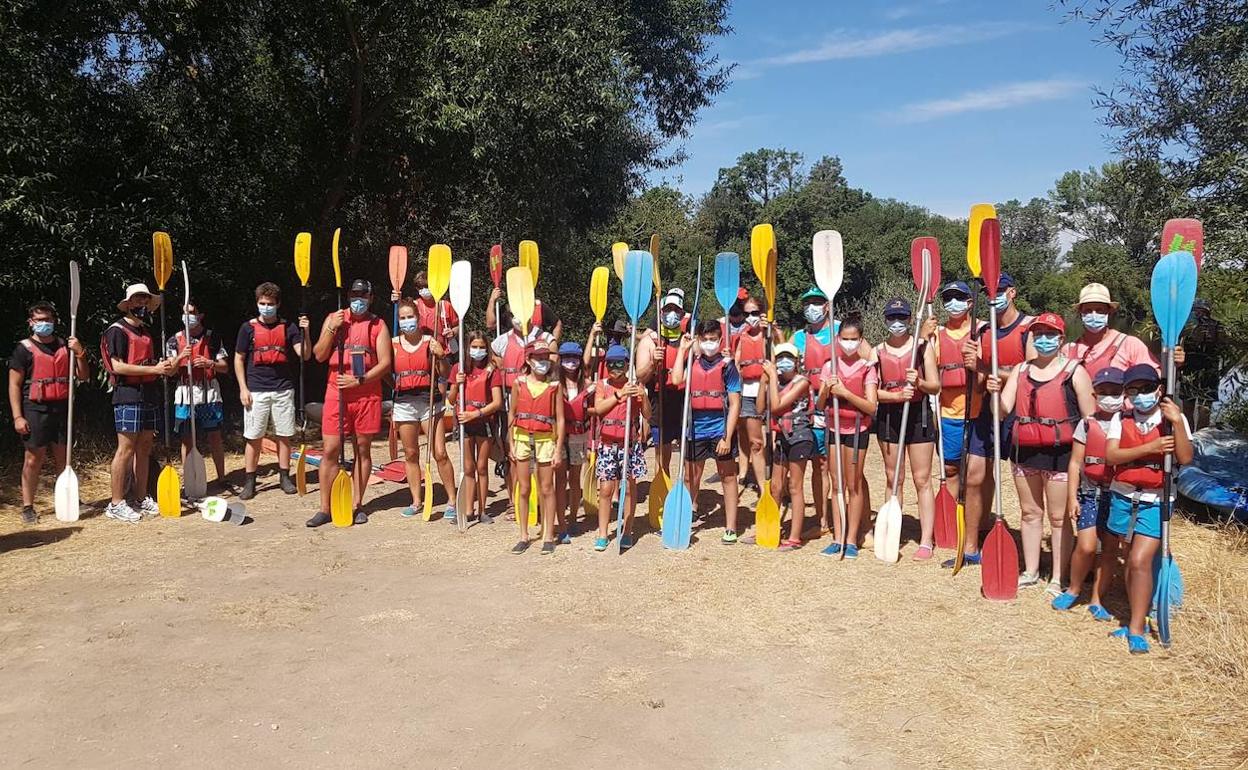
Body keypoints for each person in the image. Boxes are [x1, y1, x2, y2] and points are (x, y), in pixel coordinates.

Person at [989, 312, 1095, 590]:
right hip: (1024, 451)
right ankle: (1031, 570)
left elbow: (1090, 420)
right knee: (1029, 512)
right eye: (1039, 335)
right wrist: (994, 393)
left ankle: (1059, 576)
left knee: (1058, 518)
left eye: (1050, 335)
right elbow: (1001, 411)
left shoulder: (1075, 371)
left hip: (1062, 454)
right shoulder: (1021, 371)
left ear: (1061, 338)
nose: (1044, 340)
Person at [1104, 364, 1192, 654]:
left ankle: (1137, 629)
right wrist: (1150, 447)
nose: (1140, 395)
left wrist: (1177, 422)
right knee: (1129, 560)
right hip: (1123, 497)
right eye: (1133, 390)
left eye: (1146, 388)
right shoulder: (1121, 418)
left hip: (1156, 500)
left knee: (1141, 560)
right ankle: (1135, 615)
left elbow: (1185, 457)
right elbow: (1112, 454)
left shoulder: (1171, 417)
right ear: (1127, 393)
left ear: (1158, 389)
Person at [947, 272, 1033, 569]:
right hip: (986, 414)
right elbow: (981, 379)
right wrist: (973, 367)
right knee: (973, 477)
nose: (993, 295)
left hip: (1021, 416)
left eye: (999, 290)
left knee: (1029, 488)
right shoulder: (982, 332)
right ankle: (970, 548)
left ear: (1012, 293)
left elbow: (1033, 373)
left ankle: (1033, 553)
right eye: (987, 291)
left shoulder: (1029, 328)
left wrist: (987, 368)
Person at [309, 279, 392, 526]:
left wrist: (360, 380)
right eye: (355, 294)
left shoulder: (378, 324)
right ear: (348, 295)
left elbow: (385, 363)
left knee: (362, 449)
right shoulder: (335, 318)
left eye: (363, 295)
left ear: (371, 297)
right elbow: (319, 354)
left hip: (366, 394)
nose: (359, 299)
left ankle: (356, 504)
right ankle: (325, 508)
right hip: (336, 393)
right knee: (331, 450)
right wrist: (331, 329)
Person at [100, 284, 178, 522]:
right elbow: (117, 366)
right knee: (125, 450)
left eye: (145, 300)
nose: (142, 304)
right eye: (137, 300)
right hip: (128, 394)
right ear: (129, 304)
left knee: (144, 448)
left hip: (148, 393)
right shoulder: (117, 331)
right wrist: (153, 368)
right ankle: (115, 503)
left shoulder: (146, 332)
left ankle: (140, 497)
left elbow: (156, 366)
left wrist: (170, 364)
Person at [1054, 366, 1125, 619]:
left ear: (1124, 393)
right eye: (1103, 392)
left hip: (1118, 495)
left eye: (1115, 391)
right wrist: (1072, 497)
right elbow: (1075, 463)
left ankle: (1097, 598)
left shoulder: (1129, 424)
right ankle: (1074, 589)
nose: (1109, 396)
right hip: (1090, 493)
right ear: (1095, 395)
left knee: (1109, 548)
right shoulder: (1087, 424)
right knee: (1085, 546)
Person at [8, 301, 89, 524]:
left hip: (62, 407)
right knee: (34, 459)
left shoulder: (66, 345)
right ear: (31, 323)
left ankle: (69, 499)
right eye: (39, 320)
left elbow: (82, 376)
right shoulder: (23, 349)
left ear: (54, 321)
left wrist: (80, 353)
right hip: (35, 408)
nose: (44, 324)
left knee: (64, 457)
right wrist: (18, 416)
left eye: (48, 320)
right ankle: (27, 506)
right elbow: (14, 385)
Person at [874, 298, 940, 559]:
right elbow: (872, 391)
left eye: (902, 318)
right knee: (893, 478)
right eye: (892, 318)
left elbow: (936, 386)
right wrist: (896, 396)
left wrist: (920, 382)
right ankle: (894, 532)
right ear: (886, 320)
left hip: (918, 415)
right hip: (890, 416)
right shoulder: (877, 351)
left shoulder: (923, 349)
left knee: (922, 479)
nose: (897, 323)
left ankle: (926, 540)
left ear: (911, 320)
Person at [234, 282, 309, 499]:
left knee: (284, 435)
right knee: (253, 437)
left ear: (278, 304)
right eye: (262, 303)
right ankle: (250, 481)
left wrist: (306, 331)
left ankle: (285, 476)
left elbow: (304, 354)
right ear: (257, 303)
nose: (266, 307)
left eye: (270, 304)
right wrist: (243, 388)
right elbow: (239, 358)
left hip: (283, 389)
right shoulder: (247, 328)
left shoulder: (289, 327)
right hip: (255, 390)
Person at [671, 319, 742, 543]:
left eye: (713, 339)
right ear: (698, 341)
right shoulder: (692, 362)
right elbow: (675, 379)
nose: (709, 343)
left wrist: (727, 437)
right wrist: (682, 350)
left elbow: (735, 404)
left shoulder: (728, 366)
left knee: (728, 477)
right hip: (695, 430)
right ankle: (685, 519)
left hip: (719, 429)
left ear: (720, 341)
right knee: (691, 477)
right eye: (705, 339)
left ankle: (731, 527)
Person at [816, 312, 877, 558]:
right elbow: (820, 405)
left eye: (853, 339)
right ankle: (837, 536)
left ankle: (852, 540)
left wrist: (845, 393)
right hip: (834, 429)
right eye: (844, 338)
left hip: (857, 430)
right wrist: (827, 390)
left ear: (860, 339)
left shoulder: (867, 368)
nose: (848, 343)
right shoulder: (829, 366)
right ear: (838, 339)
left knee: (853, 485)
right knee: (836, 485)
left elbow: (871, 407)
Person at [489, 297, 555, 521]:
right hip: (512, 400)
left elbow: (552, 360)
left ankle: (540, 500)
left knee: (541, 457)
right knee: (513, 454)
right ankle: (514, 499)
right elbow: (493, 355)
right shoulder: (502, 340)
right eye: (514, 314)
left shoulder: (544, 338)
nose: (518, 318)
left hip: (540, 401)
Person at [391, 298, 453, 520]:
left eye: (410, 316)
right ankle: (417, 501)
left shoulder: (430, 341)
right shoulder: (393, 344)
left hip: (429, 402)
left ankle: (452, 501)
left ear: (418, 318)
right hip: (404, 404)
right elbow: (386, 372)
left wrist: (442, 355)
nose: (407, 321)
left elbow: (445, 372)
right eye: (403, 317)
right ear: (399, 320)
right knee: (410, 453)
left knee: (440, 452)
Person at [168, 297, 231, 493]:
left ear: (200, 315)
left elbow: (225, 367)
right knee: (187, 438)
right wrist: (180, 357)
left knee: (214, 436)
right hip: (185, 394)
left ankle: (222, 478)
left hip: (209, 393)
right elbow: (169, 370)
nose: (188, 317)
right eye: (185, 312)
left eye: (192, 313)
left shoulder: (213, 338)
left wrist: (209, 362)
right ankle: (189, 480)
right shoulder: (174, 339)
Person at [928, 281, 983, 505]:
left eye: (959, 298)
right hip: (947, 413)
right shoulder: (936, 335)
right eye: (948, 298)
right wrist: (924, 337)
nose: (953, 303)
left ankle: (975, 522)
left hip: (978, 413)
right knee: (951, 469)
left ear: (970, 303)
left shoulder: (982, 330)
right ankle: (951, 517)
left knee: (975, 474)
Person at [591, 344, 650, 551]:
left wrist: (643, 396)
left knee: (628, 488)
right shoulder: (602, 385)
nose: (614, 368)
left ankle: (627, 530)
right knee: (606, 489)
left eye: (619, 364)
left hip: (629, 446)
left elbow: (648, 415)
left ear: (627, 365)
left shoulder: (635, 386)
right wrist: (619, 396)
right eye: (610, 364)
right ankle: (602, 533)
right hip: (607, 445)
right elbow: (599, 408)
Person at [508, 344, 565, 554]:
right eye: (538, 357)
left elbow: (560, 419)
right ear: (529, 359)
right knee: (523, 488)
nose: (543, 361)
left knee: (547, 488)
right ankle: (523, 535)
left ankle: (548, 534)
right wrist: (511, 443)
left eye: (545, 357)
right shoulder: (518, 383)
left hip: (545, 441)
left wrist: (558, 449)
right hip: (522, 438)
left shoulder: (554, 386)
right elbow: (512, 413)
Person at [759, 343, 813, 551]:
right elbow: (760, 408)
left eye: (787, 357)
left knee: (794, 487)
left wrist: (772, 378)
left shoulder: (802, 382)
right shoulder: (775, 381)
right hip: (781, 437)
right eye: (779, 357)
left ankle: (795, 537)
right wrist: (763, 383)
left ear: (796, 361)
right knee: (775, 486)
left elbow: (779, 405)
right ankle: (771, 526)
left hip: (800, 437)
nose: (783, 362)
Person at [790, 287, 834, 532]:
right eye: (808, 304)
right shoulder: (798, 337)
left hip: (835, 404)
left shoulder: (841, 331)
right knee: (813, 463)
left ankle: (829, 519)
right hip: (807, 406)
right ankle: (820, 519)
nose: (812, 308)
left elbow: (866, 357)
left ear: (827, 305)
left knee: (827, 464)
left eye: (817, 302)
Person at [448, 330, 503, 525]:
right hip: (465, 424)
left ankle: (482, 511)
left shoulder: (492, 371)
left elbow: (497, 403)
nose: (477, 351)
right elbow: (451, 399)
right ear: (468, 348)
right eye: (474, 347)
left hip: (484, 422)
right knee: (468, 467)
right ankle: (468, 509)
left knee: (481, 467)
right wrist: (456, 384)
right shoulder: (458, 368)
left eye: (481, 347)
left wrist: (477, 413)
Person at [733, 294, 779, 497]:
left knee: (775, 440)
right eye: (747, 313)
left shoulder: (770, 335)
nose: (750, 317)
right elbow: (735, 364)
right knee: (756, 443)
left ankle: (778, 483)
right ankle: (763, 488)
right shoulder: (741, 337)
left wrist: (773, 332)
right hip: (748, 394)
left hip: (771, 392)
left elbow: (783, 358)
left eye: (754, 313)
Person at [641, 288, 688, 479]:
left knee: (688, 457)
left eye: (676, 310)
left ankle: (686, 497)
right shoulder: (651, 340)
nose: (671, 314)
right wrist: (653, 362)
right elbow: (642, 376)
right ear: (660, 313)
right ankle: (662, 491)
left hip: (682, 401)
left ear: (682, 314)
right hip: (660, 401)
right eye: (667, 309)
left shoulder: (688, 338)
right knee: (662, 456)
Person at [1064, 283, 1160, 374]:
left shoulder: (1130, 344)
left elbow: (1155, 374)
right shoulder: (1068, 350)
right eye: (1088, 311)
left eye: (1099, 310)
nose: (1094, 315)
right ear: (1081, 313)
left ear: (1109, 311)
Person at [556, 341, 591, 541]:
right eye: (567, 358)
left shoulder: (586, 385)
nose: (571, 362)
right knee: (560, 481)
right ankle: (561, 522)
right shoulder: (554, 384)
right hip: (560, 436)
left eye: (574, 358)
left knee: (575, 479)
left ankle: (573, 519)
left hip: (579, 435)